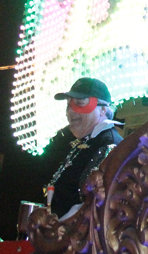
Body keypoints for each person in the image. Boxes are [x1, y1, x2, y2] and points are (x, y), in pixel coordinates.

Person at [45, 77, 122, 219]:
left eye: (79, 104)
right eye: (68, 105)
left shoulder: (109, 144)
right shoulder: (86, 141)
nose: (70, 112)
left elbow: (95, 204)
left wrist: (58, 228)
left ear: (103, 110)